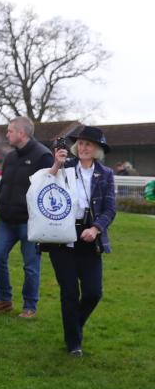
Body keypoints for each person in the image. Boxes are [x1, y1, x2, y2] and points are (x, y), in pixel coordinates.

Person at [44, 126, 115, 356]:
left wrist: (96, 228)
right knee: (70, 293)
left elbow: (110, 209)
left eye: (89, 144)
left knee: (93, 292)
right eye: (81, 143)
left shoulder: (105, 174)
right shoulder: (65, 166)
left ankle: (74, 326)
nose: (83, 148)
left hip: (89, 237)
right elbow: (44, 185)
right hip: (62, 235)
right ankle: (74, 343)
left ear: (97, 149)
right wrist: (56, 165)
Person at [0, 116, 54, 318]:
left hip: (30, 222)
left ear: (21, 133)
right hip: (6, 220)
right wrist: (1, 203)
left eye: (10, 131)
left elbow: (49, 189)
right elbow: (5, 183)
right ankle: (4, 300)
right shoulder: (10, 157)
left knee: (31, 266)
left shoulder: (43, 156)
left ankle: (30, 306)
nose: (7, 134)